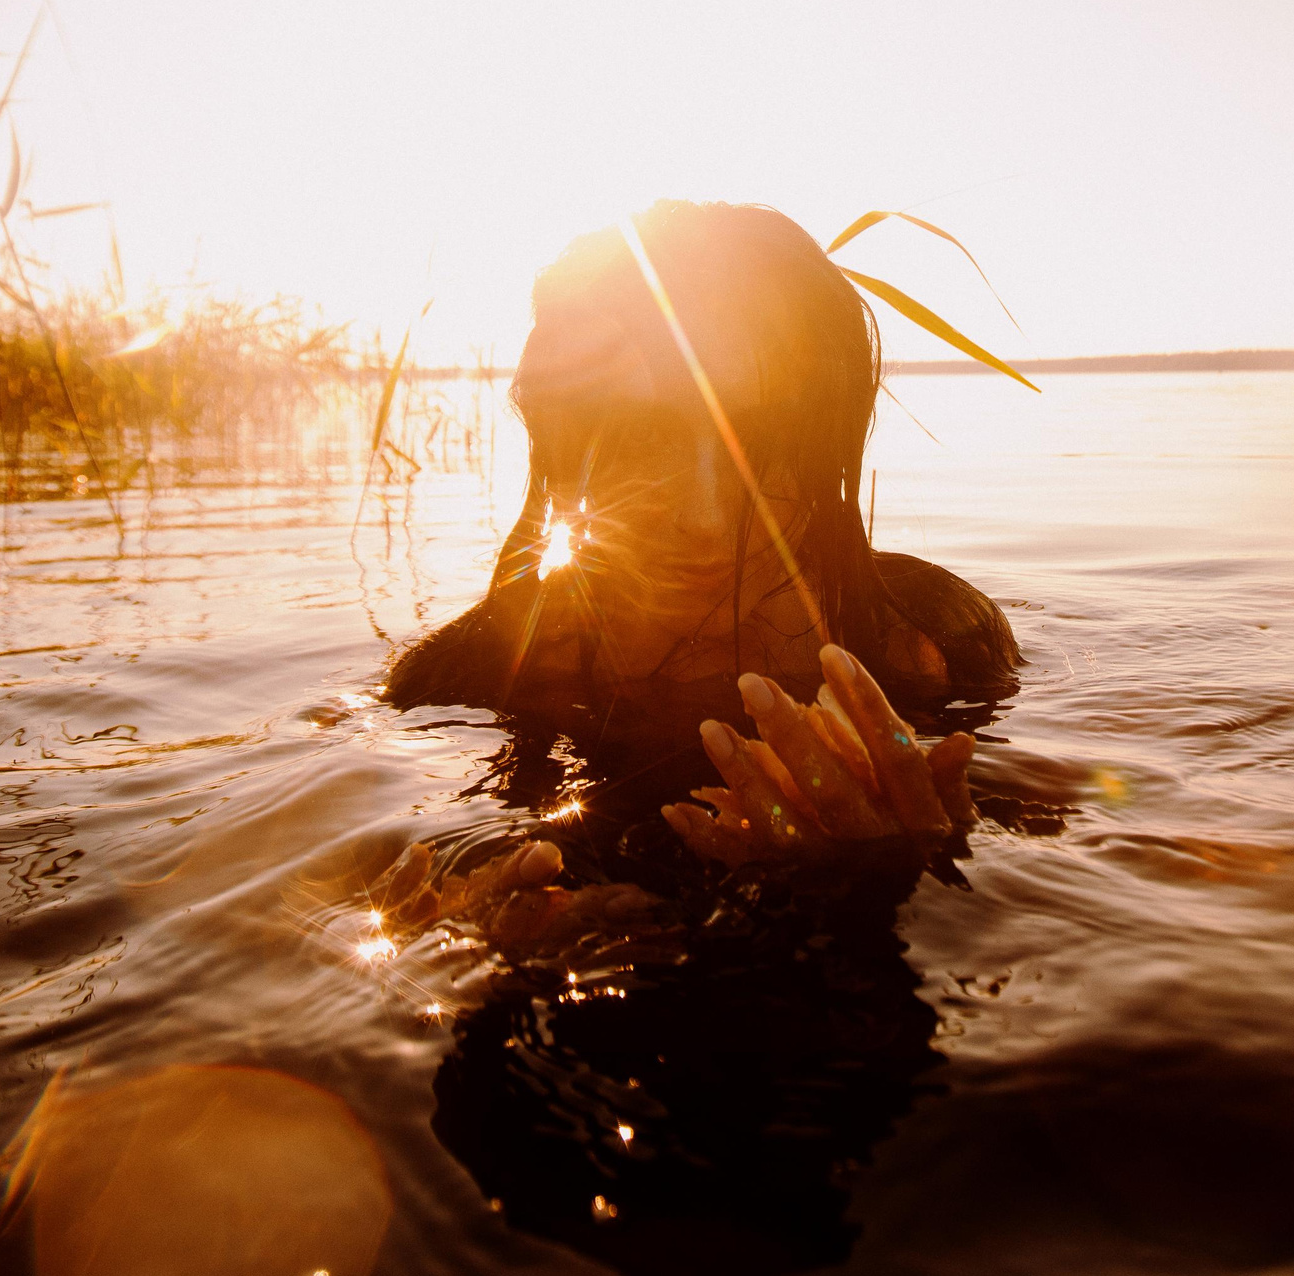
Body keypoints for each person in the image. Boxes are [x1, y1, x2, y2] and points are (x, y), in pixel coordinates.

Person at [374, 203, 1029, 1276]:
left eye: (736, 441)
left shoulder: (925, 639)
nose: (684, 514)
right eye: (626, 449)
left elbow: (1072, 810)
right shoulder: (480, 665)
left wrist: (923, 843)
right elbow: (318, 876)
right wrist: (447, 926)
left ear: (813, 436)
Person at [385, 198, 1021, 864]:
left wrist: (910, 859)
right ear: (562, 448)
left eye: (766, 438)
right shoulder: (465, 680)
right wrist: (465, 922)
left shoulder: (933, 643)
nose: (706, 519)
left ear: (826, 435)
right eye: (641, 437)